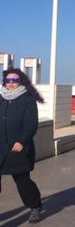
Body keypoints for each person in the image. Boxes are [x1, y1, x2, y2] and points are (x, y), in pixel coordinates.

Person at [0, 68, 43, 223]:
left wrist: (22, 141)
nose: (11, 83)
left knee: (22, 181)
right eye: (8, 80)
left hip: (17, 148)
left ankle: (35, 206)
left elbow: (31, 123)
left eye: (15, 80)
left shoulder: (27, 99)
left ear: (21, 81)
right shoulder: (1, 98)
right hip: (0, 147)